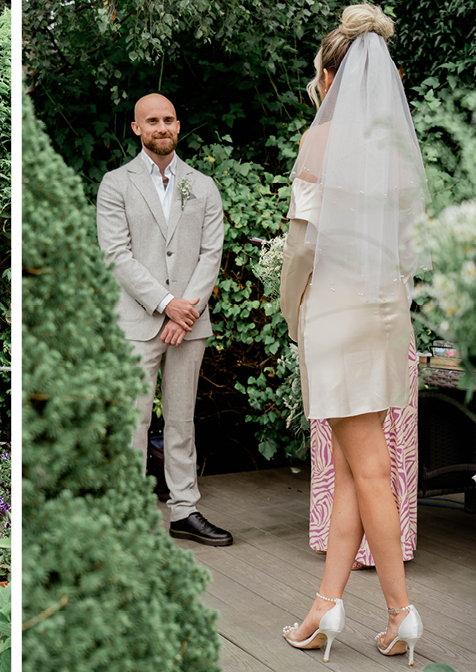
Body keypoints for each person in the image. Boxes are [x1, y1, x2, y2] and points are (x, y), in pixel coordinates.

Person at [279, 4, 429, 665]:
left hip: (335, 318)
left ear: (330, 75)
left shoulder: (321, 141)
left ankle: (400, 615)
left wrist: (291, 312)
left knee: (367, 469)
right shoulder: (395, 149)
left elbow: (301, 250)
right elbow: (411, 248)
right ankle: (324, 607)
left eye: (318, 70)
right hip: (385, 314)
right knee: (349, 469)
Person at [97, 93, 231, 546]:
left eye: (169, 119)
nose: (162, 127)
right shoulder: (115, 184)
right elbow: (117, 255)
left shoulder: (203, 185)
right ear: (137, 128)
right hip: (138, 321)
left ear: (178, 125)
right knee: (131, 419)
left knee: (181, 419)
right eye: (152, 120)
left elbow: (211, 254)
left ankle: (184, 510)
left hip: (188, 324)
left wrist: (185, 310)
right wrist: (166, 304)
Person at [309, 334, 418, 570]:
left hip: (363, 332)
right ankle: (333, 538)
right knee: (343, 456)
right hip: (351, 332)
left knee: (373, 456)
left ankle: (372, 549)